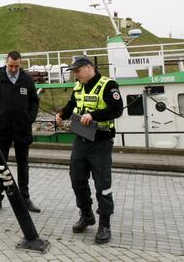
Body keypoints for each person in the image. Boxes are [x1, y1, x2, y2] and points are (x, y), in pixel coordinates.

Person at [55, 56, 123, 244]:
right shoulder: (78, 86)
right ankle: (86, 214)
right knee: (77, 179)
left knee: (103, 185)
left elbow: (117, 110)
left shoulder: (108, 85)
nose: (76, 75)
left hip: (101, 143)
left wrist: (93, 115)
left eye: (78, 71)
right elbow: (72, 105)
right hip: (81, 140)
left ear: (89, 68)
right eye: (74, 72)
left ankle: (105, 224)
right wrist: (61, 114)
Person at [0, 51, 41, 213]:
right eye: (11, 65)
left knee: (23, 164)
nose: (14, 69)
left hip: (22, 129)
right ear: (6, 62)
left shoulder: (27, 79)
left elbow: (34, 101)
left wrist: (29, 118)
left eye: (16, 66)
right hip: (2, 129)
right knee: (0, 164)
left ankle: (25, 197)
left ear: (20, 64)